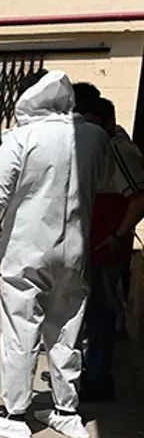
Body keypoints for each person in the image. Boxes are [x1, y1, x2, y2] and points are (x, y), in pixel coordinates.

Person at [0, 70, 131, 438]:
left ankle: (14, 413)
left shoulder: (21, 138)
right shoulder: (94, 137)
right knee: (68, 331)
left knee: (21, 328)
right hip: (76, 251)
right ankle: (65, 411)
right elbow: (105, 179)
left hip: (27, 250)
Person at [72, 96, 144, 402]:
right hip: (91, 243)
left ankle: (97, 377)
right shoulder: (96, 148)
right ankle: (85, 370)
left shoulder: (117, 150)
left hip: (104, 245)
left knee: (100, 313)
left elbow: (139, 199)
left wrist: (116, 236)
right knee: (87, 311)